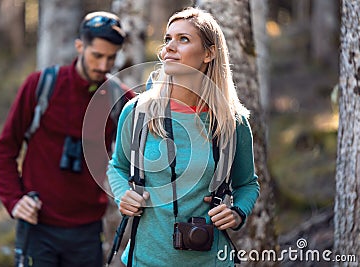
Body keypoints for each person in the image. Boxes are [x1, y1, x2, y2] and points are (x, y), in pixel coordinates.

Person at [107, 7, 260, 267]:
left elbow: (248, 184)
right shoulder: (138, 112)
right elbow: (117, 167)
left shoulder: (232, 122)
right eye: (168, 39)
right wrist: (123, 194)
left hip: (212, 260)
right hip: (145, 260)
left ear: (209, 53)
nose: (169, 47)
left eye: (183, 39)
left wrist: (236, 213)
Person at [0, 11, 134, 266]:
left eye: (111, 58)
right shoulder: (41, 85)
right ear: (80, 45)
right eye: (97, 56)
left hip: (88, 231)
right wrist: (14, 200)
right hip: (37, 227)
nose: (103, 66)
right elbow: (5, 151)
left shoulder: (120, 101)